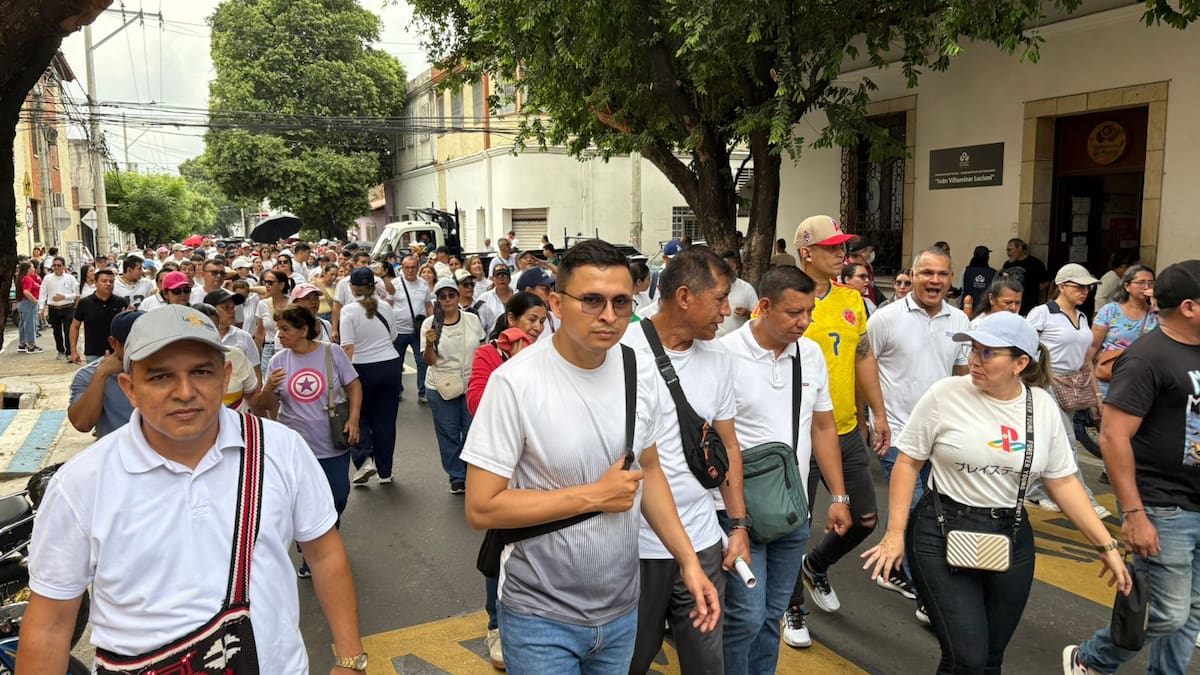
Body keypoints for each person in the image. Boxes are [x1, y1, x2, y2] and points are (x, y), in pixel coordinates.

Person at [19, 304, 368, 673]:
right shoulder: (82, 483)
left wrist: (350, 659)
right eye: (160, 377)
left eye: (201, 372)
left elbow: (324, 554)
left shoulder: (281, 449)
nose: (185, 392)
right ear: (130, 389)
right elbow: (51, 622)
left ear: (225, 376)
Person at [460, 239, 719, 673]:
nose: (609, 316)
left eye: (621, 302)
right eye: (592, 300)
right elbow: (481, 506)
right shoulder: (515, 383)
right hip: (540, 616)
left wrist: (689, 562)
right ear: (557, 304)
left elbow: (649, 472)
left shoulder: (638, 370)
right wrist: (594, 496)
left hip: (621, 610)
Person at [863, 311, 1130, 675]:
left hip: (1010, 534)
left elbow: (1063, 481)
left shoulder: (1042, 406)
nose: (975, 360)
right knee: (967, 657)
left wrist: (1106, 546)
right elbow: (908, 463)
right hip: (940, 530)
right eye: (974, 349)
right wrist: (894, 535)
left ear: (1021, 362)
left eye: (988, 353)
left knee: (988, 660)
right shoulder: (946, 394)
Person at [1064, 259, 1200, 675]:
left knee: (1191, 613)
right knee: (1166, 614)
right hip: (1163, 506)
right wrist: (1135, 514)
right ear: (1191, 307)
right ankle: (1090, 659)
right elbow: (1113, 436)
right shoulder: (1147, 357)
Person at [719, 264, 852, 672]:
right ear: (762, 306)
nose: (804, 322)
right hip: (737, 513)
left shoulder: (809, 354)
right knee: (744, 616)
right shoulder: (725, 355)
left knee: (773, 613)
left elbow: (824, 425)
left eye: (809, 311)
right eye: (794, 312)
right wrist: (736, 517)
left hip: (792, 511)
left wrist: (839, 497)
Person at [621, 247, 746, 675]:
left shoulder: (720, 358)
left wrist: (739, 526)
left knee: (707, 664)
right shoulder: (623, 352)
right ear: (686, 297)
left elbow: (727, 445)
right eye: (720, 299)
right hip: (634, 548)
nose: (727, 312)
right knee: (629, 663)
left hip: (703, 541)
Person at [785, 215, 890, 636]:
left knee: (864, 520)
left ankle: (817, 566)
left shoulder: (852, 300)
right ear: (807, 253)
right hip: (797, 437)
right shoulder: (783, 297)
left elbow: (862, 356)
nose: (841, 254)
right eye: (831, 248)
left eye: (842, 247)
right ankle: (792, 608)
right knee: (793, 527)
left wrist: (878, 414)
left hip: (844, 430)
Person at [867, 247, 970, 621]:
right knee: (911, 512)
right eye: (927, 273)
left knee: (938, 511)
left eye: (942, 274)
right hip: (898, 435)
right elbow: (865, 367)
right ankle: (927, 590)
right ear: (912, 275)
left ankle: (897, 567)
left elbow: (961, 375)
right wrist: (877, 417)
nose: (935, 281)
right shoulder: (884, 319)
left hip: (942, 438)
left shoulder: (959, 320)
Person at [465, 291, 548, 670]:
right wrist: (512, 367)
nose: (538, 327)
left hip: (541, 469)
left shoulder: (549, 357)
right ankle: (496, 623)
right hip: (501, 472)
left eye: (543, 321)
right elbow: (477, 404)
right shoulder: (488, 356)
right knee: (499, 547)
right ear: (511, 320)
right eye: (531, 319)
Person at [262, 305, 362, 576]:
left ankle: (324, 537)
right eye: (278, 329)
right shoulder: (277, 361)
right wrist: (269, 387)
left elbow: (353, 385)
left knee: (337, 497)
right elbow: (265, 405)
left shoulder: (332, 352)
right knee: (302, 504)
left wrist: (353, 419)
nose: (279, 335)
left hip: (332, 442)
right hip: (295, 447)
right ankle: (313, 554)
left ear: (304, 330)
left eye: (285, 329)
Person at [1024, 263, 1109, 517]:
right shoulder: (1042, 313)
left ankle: (1033, 491)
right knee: (1067, 442)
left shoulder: (1082, 317)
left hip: (1073, 385)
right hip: (1046, 383)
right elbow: (1025, 348)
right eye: (1079, 286)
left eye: (1088, 288)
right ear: (1062, 286)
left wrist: (1096, 396)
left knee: (1049, 442)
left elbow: (1086, 360)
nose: (1085, 292)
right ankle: (1085, 500)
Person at [422, 278, 485, 494]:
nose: (447, 300)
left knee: (472, 431)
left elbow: (483, 349)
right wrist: (430, 343)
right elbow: (429, 361)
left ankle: (471, 472)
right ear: (437, 300)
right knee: (449, 432)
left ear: (458, 296)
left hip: (470, 383)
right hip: (442, 385)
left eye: (451, 295)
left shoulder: (472, 320)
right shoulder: (430, 324)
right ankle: (457, 476)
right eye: (442, 296)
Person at [341, 267, 402, 487]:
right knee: (385, 421)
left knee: (358, 415)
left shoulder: (348, 312)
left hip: (361, 368)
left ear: (352, 287)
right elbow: (393, 336)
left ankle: (364, 459)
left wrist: (342, 379)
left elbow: (347, 348)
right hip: (390, 366)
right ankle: (385, 471)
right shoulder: (385, 307)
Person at [1085, 265, 1157, 398]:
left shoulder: (1157, 314)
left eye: (1151, 283)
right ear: (1127, 286)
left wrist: (1157, 305)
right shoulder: (1110, 311)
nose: (1147, 287)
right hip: (1109, 380)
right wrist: (1096, 394)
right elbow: (1090, 352)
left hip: (1144, 382)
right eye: (1141, 283)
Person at [68, 311, 142, 437]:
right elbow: (82, 423)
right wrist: (101, 374)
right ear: (113, 343)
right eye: (133, 346)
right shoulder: (88, 375)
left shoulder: (169, 368)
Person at [191, 302, 262, 414]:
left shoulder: (236, 356)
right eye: (199, 328)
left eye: (212, 328)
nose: (206, 334)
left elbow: (253, 396)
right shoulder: (176, 361)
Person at [393, 255, 436, 403]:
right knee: (396, 363)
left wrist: (433, 324)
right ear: (402, 268)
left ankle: (423, 391)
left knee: (422, 361)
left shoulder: (423, 283)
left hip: (418, 331)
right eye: (407, 267)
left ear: (418, 268)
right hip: (398, 331)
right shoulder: (395, 284)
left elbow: (428, 305)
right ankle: (397, 390)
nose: (410, 270)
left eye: (413, 267)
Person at [69, 269, 129, 364]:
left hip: (117, 352)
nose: (108, 284)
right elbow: (75, 326)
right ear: (96, 283)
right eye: (104, 281)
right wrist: (73, 351)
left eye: (111, 281)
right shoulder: (85, 303)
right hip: (93, 353)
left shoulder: (121, 302)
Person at [38, 256, 77, 359]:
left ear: (64, 266)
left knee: (68, 330)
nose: (56, 267)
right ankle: (60, 350)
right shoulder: (48, 278)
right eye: (54, 265)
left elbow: (76, 294)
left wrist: (64, 297)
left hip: (67, 307)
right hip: (53, 308)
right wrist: (41, 308)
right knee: (56, 331)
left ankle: (69, 352)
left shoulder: (70, 278)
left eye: (59, 265)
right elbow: (42, 293)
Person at [255, 270, 293, 372]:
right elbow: (259, 333)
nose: (266, 286)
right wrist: (255, 356)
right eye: (265, 282)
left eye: (270, 283)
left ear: (281, 285)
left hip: (289, 348)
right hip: (268, 349)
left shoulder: (293, 304)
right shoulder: (262, 304)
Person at [1001, 238, 1049, 315]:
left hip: (1028, 307)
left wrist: (1034, 291)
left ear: (1019, 248)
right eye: (1007, 250)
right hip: (1009, 306)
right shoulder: (1007, 264)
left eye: (1010, 250)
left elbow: (1045, 282)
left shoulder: (1034, 263)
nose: (1008, 253)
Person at [716, 250, 758, 339]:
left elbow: (758, 317)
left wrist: (747, 313)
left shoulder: (747, 289)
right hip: (716, 341)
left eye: (725, 267)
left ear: (734, 266)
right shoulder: (712, 288)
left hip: (739, 343)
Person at [476, 263, 514, 334]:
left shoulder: (519, 296)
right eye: (498, 276)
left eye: (504, 275)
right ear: (493, 279)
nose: (501, 278)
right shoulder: (484, 298)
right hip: (492, 339)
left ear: (510, 279)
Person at [846, 236, 885, 306]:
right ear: (862, 252)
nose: (872, 254)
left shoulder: (869, 267)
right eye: (870, 251)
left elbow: (873, 288)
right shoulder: (842, 269)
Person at [961, 245, 997, 315]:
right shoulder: (993, 273)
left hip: (967, 311)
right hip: (986, 312)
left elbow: (961, 290)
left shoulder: (966, 270)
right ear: (987, 258)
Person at [16, 261, 42, 353]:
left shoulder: (21, 278)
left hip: (23, 303)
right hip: (28, 303)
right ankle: (31, 345)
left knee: (23, 323)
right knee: (30, 324)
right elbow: (26, 292)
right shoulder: (27, 279)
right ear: (27, 269)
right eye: (32, 267)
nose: (33, 269)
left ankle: (22, 343)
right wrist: (34, 301)